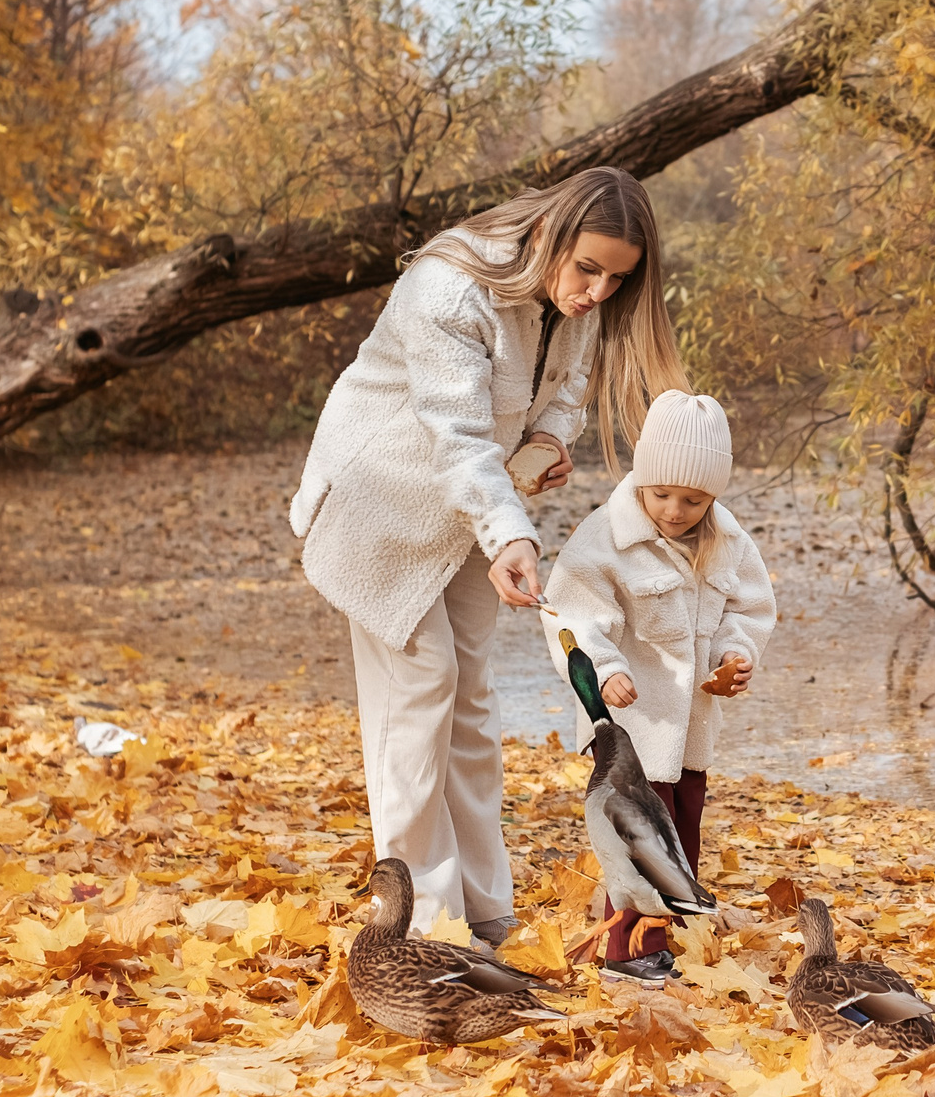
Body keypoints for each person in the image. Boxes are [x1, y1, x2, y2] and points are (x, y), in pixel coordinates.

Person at [290, 167, 684, 945]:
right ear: (547, 235)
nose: (598, 292)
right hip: (380, 506)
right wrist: (512, 534)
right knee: (423, 683)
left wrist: (544, 441)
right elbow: (457, 434)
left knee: (471, 694)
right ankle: (423, 920)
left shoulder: (579, 302)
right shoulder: (449, 287)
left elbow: (565, 392)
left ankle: (484, 905)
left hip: (470, 511)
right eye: (588, 269)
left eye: (616, 278)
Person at [543, 391, 776, 982]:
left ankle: (661, 937)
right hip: (630, 729)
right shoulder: (604, 539)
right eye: (662, 494)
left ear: (714, 495)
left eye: (693, 499)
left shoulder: (727, 541)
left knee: (681, 835)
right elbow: (572, 614)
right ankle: (624, 953)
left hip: (690, 725)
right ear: (641, 481)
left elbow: (747, 610)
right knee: (634, 840)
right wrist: (607, 667)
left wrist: (735, 654)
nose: (675, 510)